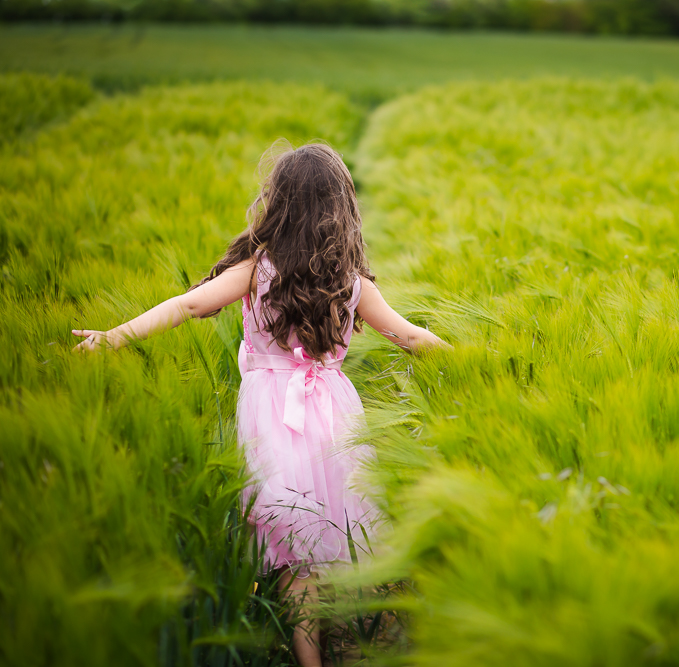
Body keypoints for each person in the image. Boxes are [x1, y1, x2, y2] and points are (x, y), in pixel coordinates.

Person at [72, 142, 449, 667]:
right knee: (324, 530)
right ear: (342, 210)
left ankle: (303, 651)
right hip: (334, 414)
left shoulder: (257, 268)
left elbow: (188, 304)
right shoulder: (352, 284)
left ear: (279, 204)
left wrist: (115, 336)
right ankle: (339, 634)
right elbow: (410, 337)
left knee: (289, 544)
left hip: (272, 412)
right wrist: (474, 357)